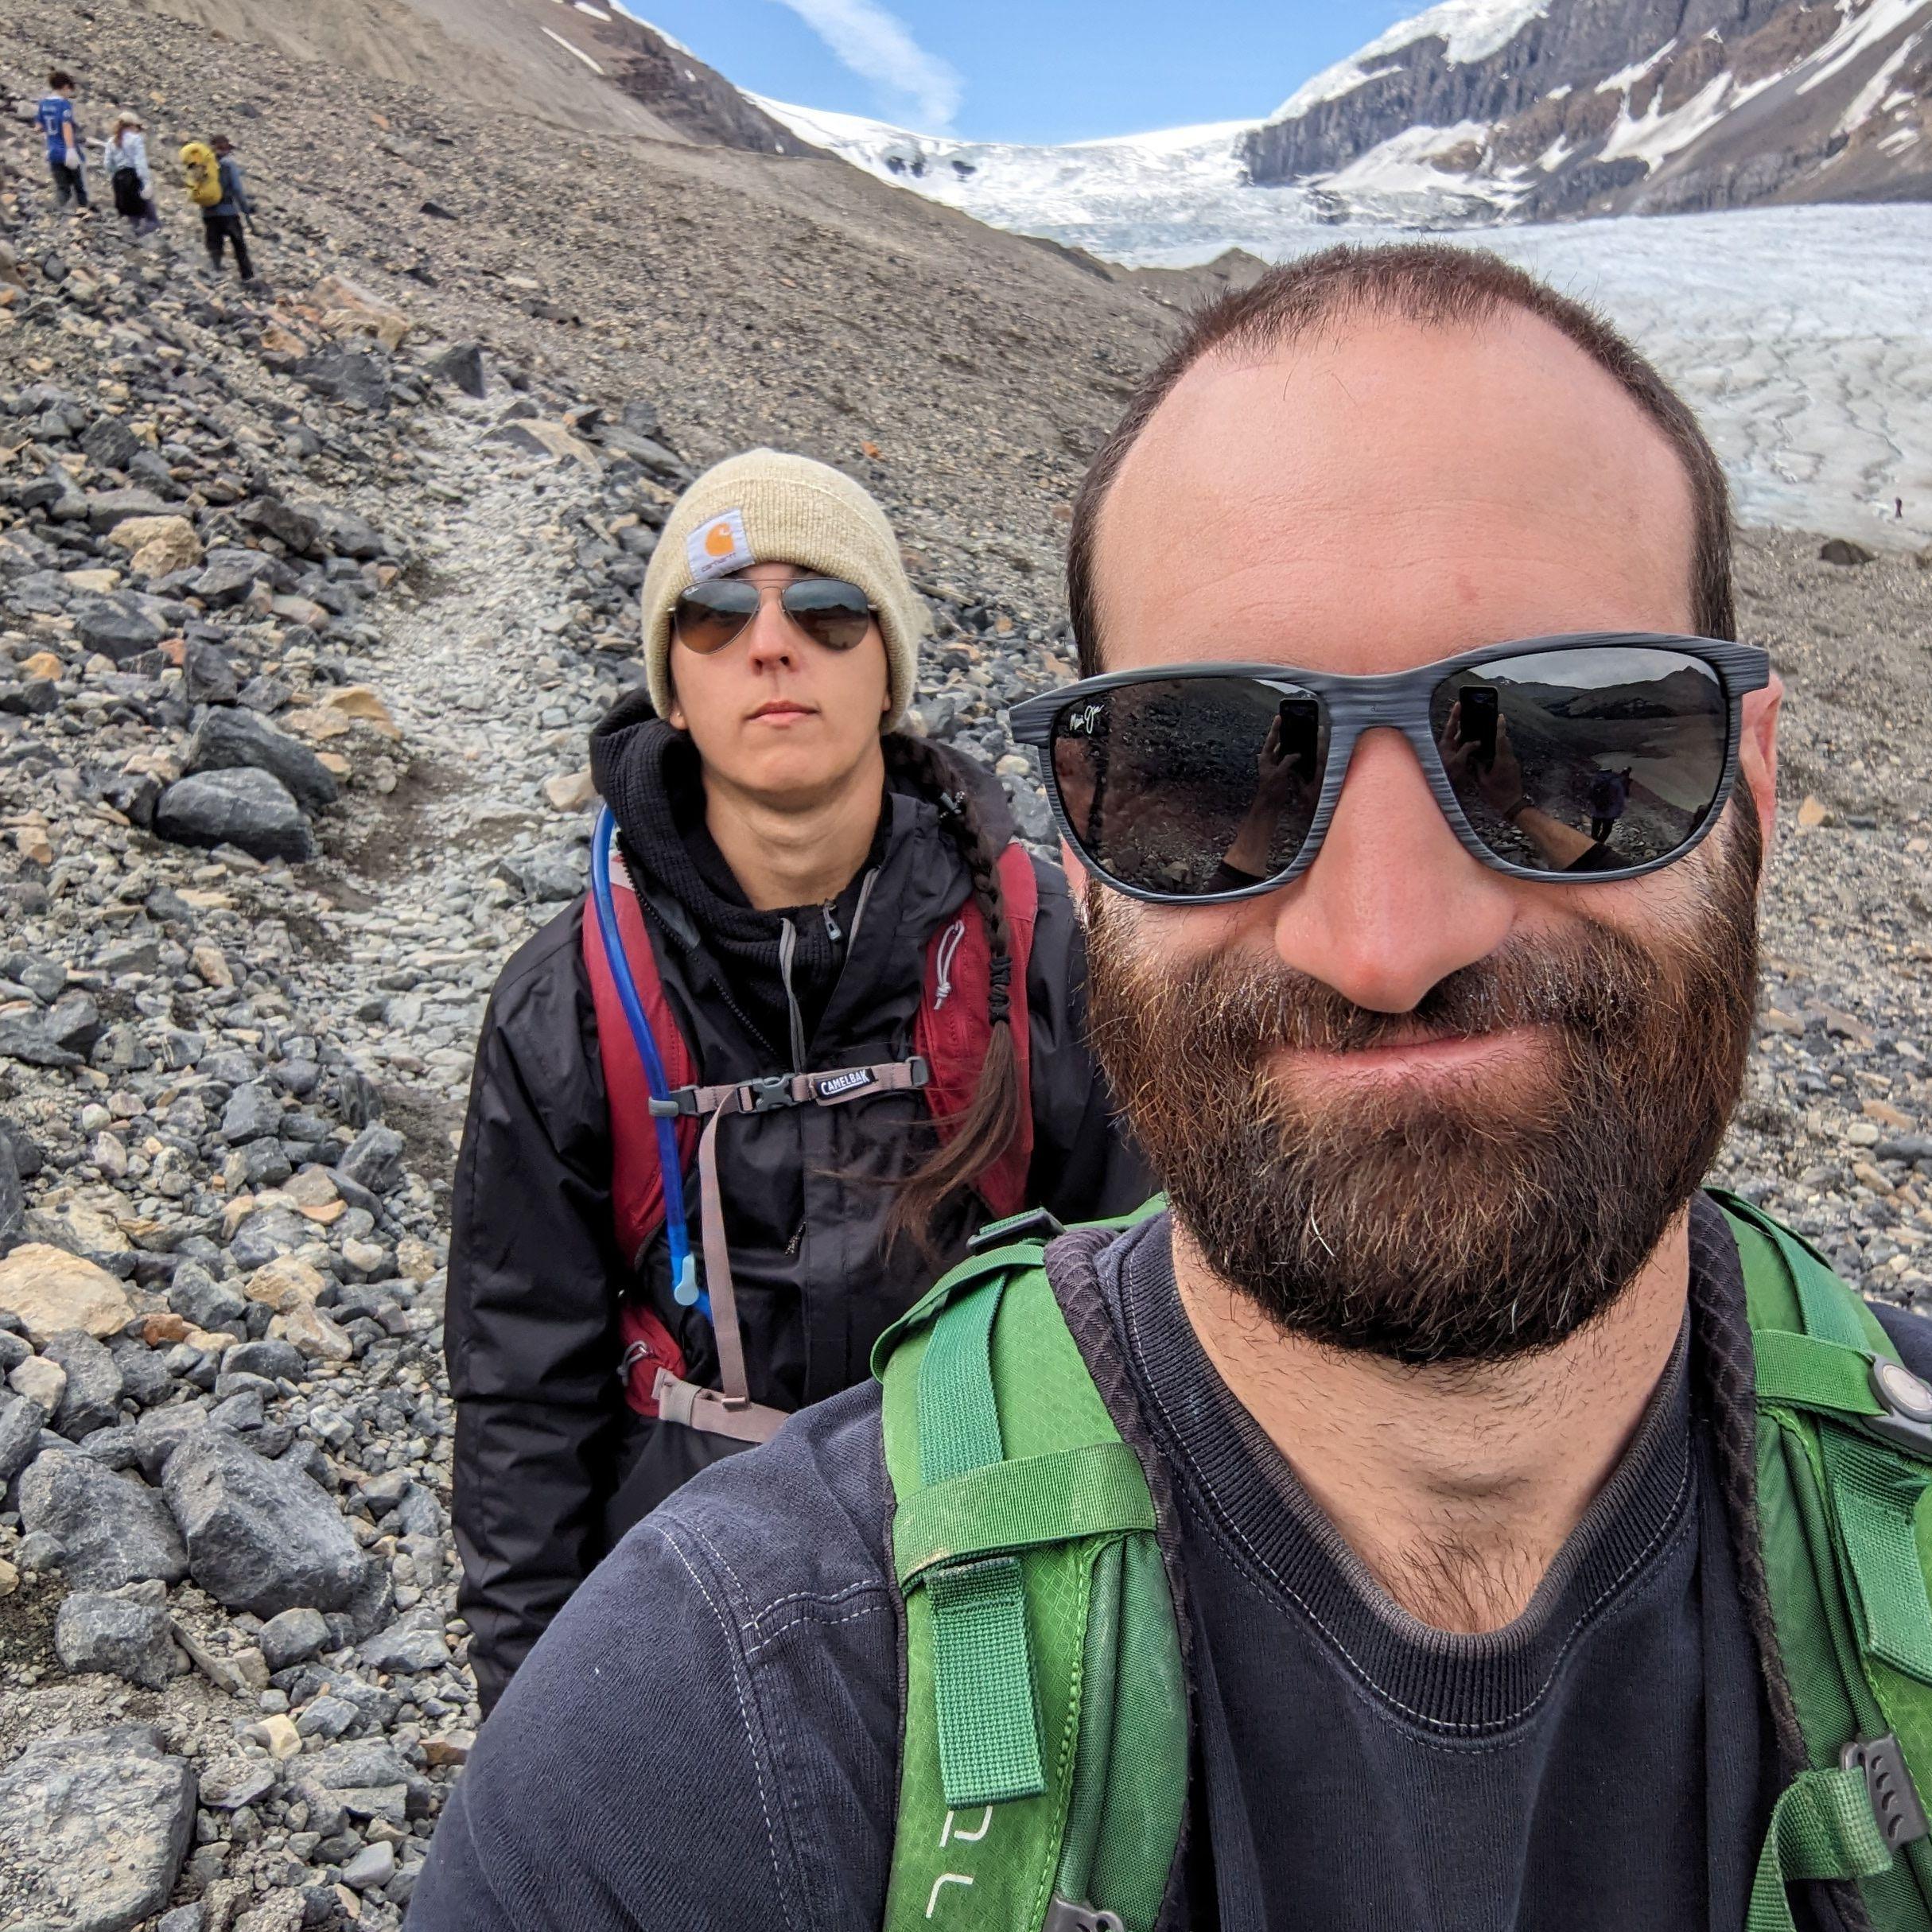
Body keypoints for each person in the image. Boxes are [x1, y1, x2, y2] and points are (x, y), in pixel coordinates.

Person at [411, 246, 1932, 1932]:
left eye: (1569, 748)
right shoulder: (691, 1734)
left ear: (1752, 778)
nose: (1383, 941)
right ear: (1088, 862)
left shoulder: (988, 941)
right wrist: (550, 1664)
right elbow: (520, 1360)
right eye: (1202, 781)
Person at [445, 449, 1147, 1714]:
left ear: (889, 670)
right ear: (673, 685)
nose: (771, 644)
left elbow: (1154, 1312)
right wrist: (528, 1703)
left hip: (997, 1584)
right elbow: (521, 1387)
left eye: (826, 608)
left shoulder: (1040, 955)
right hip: (680, 1604)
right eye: (716, 614)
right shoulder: (570, 1001)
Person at [200, 135, 254, 281]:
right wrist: (245, 209)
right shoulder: (229, 164)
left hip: (209, 213)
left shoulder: (203, 165)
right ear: (226, 149)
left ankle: (214, 277)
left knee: (214, 247)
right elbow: (237, 189)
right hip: (228, 212)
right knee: (239, 245)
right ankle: (247, 277)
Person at [33, 73, 87, 215]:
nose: (70, 93)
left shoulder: (44, 104)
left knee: (62, 187)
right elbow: (66, 126)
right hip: (67, 151)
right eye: (70, 90)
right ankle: (83, 210)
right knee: (79, 185)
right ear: (65, 87)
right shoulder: (64, 104)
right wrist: (70, 149)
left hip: (53, 152)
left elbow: (38, 127)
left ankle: (57, 212)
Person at [101, 115, 157, 234]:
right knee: (149, 216)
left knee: (128, 214)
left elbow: (108, 164)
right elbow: (140, 163)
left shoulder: (111, 141)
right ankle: (145, 237)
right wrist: (146, 182)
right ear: (132, 126)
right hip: (133, 179)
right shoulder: (136, 139)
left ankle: (131, 236)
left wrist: (117, 173)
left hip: (118, 180)